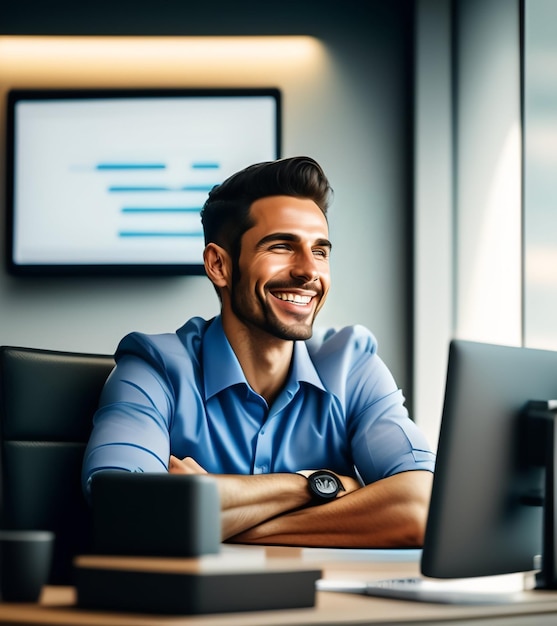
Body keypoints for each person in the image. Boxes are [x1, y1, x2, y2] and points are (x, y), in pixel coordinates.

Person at [82, 156, 435, 548]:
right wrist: (318, 485)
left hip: (327, 608)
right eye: (282, 246)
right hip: (189, 608)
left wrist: (223, 518)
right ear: (219, 265)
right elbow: (125, 511)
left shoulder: (352, 365)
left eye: (320, 251)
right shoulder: (154, 368)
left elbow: (422, 507)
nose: (308, 271)